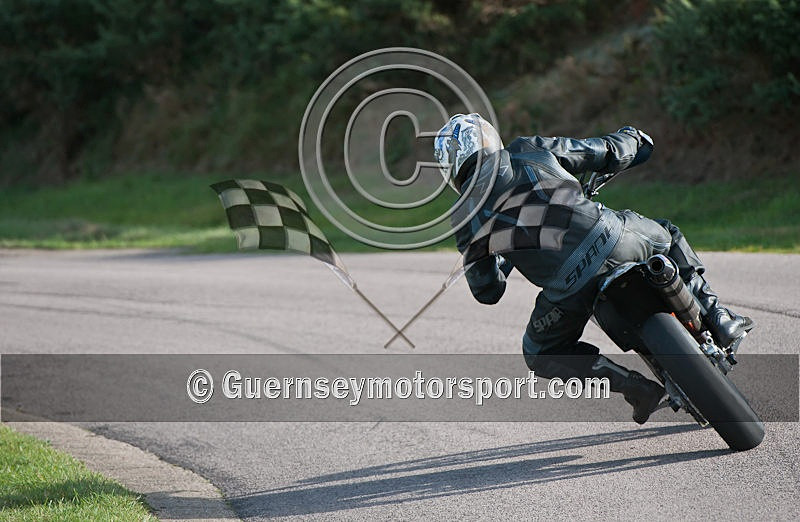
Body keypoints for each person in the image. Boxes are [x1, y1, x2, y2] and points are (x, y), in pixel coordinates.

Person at [434, 113, 754, 424]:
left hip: (570, 291)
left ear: (450, 169)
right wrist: (634, 139)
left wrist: (499, 255)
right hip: (617, 238)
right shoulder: (527, 149)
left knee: (538, 351)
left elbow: (488, 291)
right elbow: (602, 151)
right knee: (667, 234)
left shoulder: (465, 218)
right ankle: (718, 316)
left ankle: (633, 388)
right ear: (488, 137)